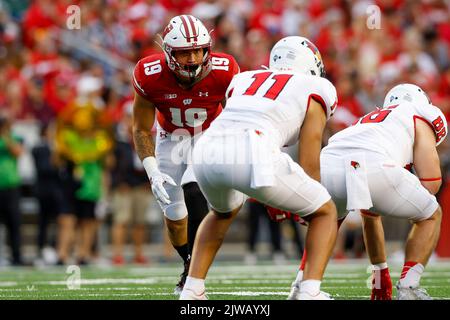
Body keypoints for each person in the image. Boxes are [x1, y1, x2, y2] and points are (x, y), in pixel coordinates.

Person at [180, 36, 339, 300]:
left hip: (207, 148)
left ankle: (192, 289)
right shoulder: (316, 86)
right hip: (253, 148)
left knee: (222, 212)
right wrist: (306, 205)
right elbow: (310, 158)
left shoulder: (244, 78)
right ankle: (310, 292)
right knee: (325, 211)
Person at [288, 83, 446, 300]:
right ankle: (409, 288)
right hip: (374, 165)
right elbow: (432, 182)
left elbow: (369, 216)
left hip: (327, 162)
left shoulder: (368, 120)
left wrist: (380, 274)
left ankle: (302, 287)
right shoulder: (418, 113)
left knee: (324, 221)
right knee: (431, 213)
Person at [131, 15, 239, 294]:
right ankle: (189, 263)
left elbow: (238, 115)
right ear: (168, 52)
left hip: (210, 134)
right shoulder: (149, 74)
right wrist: (152, 170)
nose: (192, 58)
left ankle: (193, 277)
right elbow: (141, 129)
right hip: (170, 138)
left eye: (197, 50)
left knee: (193, 190)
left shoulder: (225, 70)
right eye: (184, 52)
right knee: (175, 218)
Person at [110, 104, 151, 265]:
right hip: (124, 186)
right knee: (122, 220)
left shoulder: (144, 136)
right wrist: (119, 182)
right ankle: (118, 254)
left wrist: (148, 181)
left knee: (140, 221)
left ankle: (138, 253)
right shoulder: (117, 140)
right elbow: (112, 164)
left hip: (141, 184)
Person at [0, 114, 24, 265]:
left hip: (11, 186)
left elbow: (18, 152)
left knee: (14, 222)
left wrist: (6, 135)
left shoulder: (14, 137)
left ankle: (16, 256)